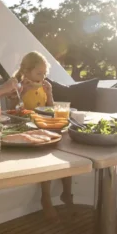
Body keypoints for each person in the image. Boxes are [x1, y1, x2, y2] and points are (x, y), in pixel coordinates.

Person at [10, 52, 74, 221]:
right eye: (39, 73)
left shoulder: (43, 87)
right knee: (49, 154)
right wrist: (24, 91)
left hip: (44, 125)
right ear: (26, 71)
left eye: (44, 73)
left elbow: (50, 109)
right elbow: (13, 109)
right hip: (25, 127)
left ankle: (67, 192)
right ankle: (46, 199)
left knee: (66, 150)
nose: (43, 77)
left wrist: (50, 93)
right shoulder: (18, 86)